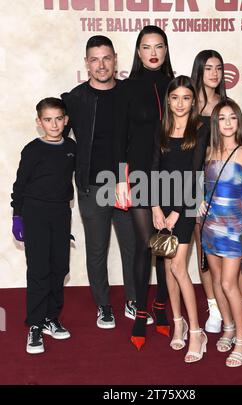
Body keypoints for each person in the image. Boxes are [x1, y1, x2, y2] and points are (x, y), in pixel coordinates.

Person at [61, 36, 144, 330]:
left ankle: (134, 299)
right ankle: (104, 306)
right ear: (86, 63)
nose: (101, 65)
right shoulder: (73, 99)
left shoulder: (129, 94)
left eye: (106, 58)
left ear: (115, 59)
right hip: (92, 188)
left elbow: (140, 141)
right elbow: (58, 139)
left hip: (126, 185)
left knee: (132, 247)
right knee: (96, 249)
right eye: (94, 59)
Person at [191, 50, 242, 336]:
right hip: (201, 192)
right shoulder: (188, 107)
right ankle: (215, 310)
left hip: (233, 199)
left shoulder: (225, 107)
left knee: (239, 264)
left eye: (218, 68)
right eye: (207, 68)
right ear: (199, 71)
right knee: (206, 257)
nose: (213, 73)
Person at [115, 25, 174, 350]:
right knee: (143, 246)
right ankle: (140, 312)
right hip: (137, 175)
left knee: (164, 243)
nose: (153, 52)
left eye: (159, 46)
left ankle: (162, 306)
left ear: (166, 51)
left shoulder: (177, 86)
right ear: (138, 52)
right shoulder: (127, 89)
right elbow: (119, 138)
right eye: (146, 47)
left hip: (170, 175)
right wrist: (121, 178)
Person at [11, 97, 75, 354]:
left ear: (66, 120)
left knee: (59, 267)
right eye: (48, 119)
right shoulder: (32, 149)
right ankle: (35, 325)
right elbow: (20, 185)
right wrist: (18, 216)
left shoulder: (71, 146)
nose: (54, 124)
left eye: (59, 118)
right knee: (39, 270)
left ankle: (51, 317)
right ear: (39, 122)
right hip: (35, 214)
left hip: (61, 213)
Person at [151, 76, 209, 363]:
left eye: (186, 98)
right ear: (168, 100)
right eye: (175, 98)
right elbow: (153, 170)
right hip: (163, 208)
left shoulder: (201, 128)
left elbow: (196, 173)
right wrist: (156, 207)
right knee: (167, 267)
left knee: (178, 267)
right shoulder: (160, 130)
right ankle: (178, 323)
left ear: (193, 101)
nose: (181, 103)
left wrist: (176, 210)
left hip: (185, 207)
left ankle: (196, 331)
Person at [199, 99, 242, 367]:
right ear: (215, 123)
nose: (228, 123)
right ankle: (229, 328)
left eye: (232, 117)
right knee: (217, 281)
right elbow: (205, 186)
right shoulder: (209, 151)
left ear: (239, 121)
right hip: (210, 227)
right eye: (222, 118)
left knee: (228, 283)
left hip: (235, 229)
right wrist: (200, 200)